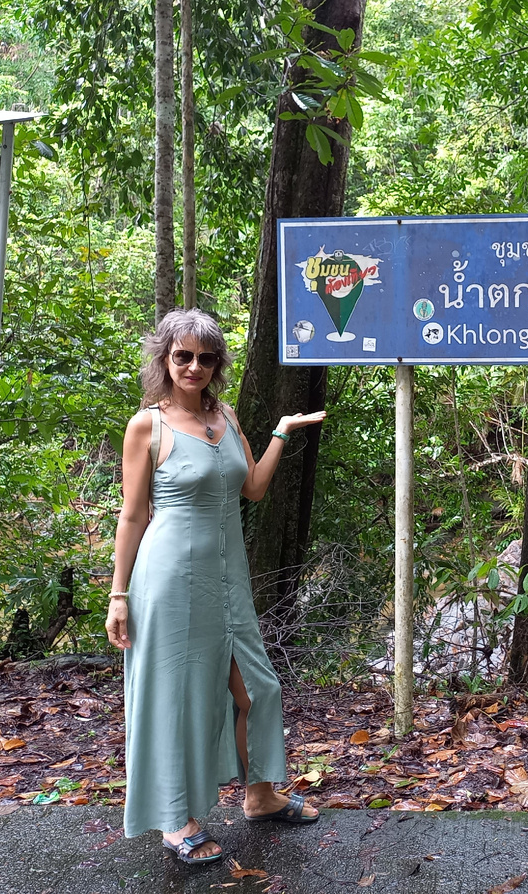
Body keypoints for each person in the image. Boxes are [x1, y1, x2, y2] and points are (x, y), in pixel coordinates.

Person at [105, 308, 326, 864]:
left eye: (205, 357)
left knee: (257, 689)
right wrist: (118, 594)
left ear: (217, 364)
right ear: (164, 360)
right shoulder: (146, 426)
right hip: (169, 579)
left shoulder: (224, 417)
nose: (194, 366)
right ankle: (177, 819)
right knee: (176, 698)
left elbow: (251, 488)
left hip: (229, 579)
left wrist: (281, 430)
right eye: (182, 355)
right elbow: (131, 516)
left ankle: (258, 796)